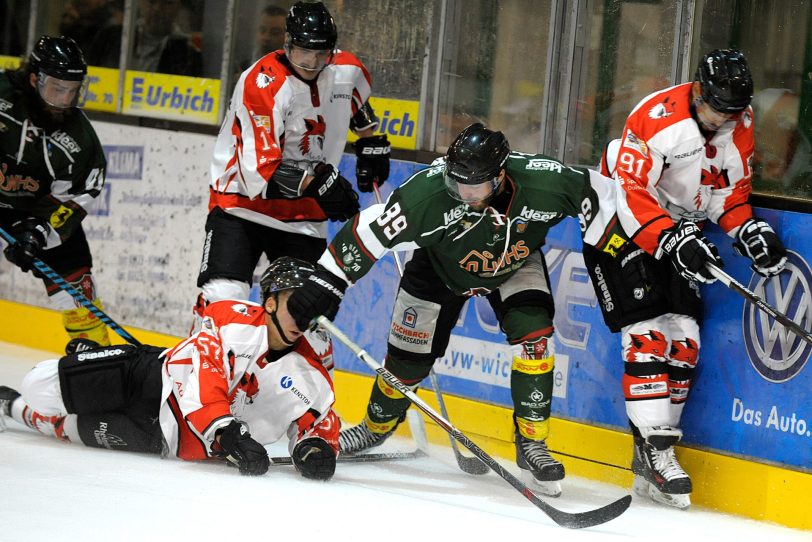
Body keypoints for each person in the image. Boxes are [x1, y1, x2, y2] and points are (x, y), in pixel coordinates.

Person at [284, 122, 631, 497]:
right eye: (457, 182)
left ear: (500, 176)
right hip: (437, 270)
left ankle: (532, 443)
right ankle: (376, 426)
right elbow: (368, 231)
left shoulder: (543, 181)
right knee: (406, 364)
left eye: (474, 186)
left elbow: (598, 194)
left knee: (536, 342)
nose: (463, 193)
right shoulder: (428, 194)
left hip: (515, 265)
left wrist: (622, 250)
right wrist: (327, 282)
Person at [585, 49, 788, 509]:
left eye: (732, 111)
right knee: (649, 337)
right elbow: (631, 194)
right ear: (698, 90)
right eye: (717, 107)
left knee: (685, 339)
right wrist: (673, 239)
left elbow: (725, 190)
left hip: (677, 227)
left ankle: (650, 454)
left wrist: (746, 227)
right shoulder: (657, 120)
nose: (723, 119)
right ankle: (658, 452)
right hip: (616, 226)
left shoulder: (741, 122)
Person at [0, 256, 341, 481]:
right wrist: (226, 433)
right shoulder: (229, 317)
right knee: (39, 385)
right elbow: (204, 376)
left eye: (309, 308)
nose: (303, 317)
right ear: (269, 302)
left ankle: (9, 406)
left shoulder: (313, 370)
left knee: (68, 427)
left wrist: (314, 448)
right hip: (148, 378)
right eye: (294, 303)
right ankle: (95, 357)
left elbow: (318, 421)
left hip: (160, 440)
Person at [193, 1, 390, 338]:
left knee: (306, 317)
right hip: (242, 206)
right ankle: (202, 380)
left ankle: (285, 387)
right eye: (302, 52)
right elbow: (261, 172)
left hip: (302, 216)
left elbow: (355, 101)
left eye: (320, 53)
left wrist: (370, 144)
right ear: (288, 45)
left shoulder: (345, 69)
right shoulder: (262, 83)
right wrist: (320, 186)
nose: (311, 63)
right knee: (222, 304)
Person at [0, 35, 111, 350]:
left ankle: (95, 358)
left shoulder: (82, 144)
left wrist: (38, 233)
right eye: (56, 89)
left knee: (76, 282)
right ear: (35, 79)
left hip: (33, 212)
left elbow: (72, 202)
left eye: (72, 91)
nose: (64, 100)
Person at [86, 0, 202, 76]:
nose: (157, 8)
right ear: (140, 3)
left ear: (179, 7)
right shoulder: (110, 37)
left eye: (167, 2)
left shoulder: (187, 51)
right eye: (151, 1)